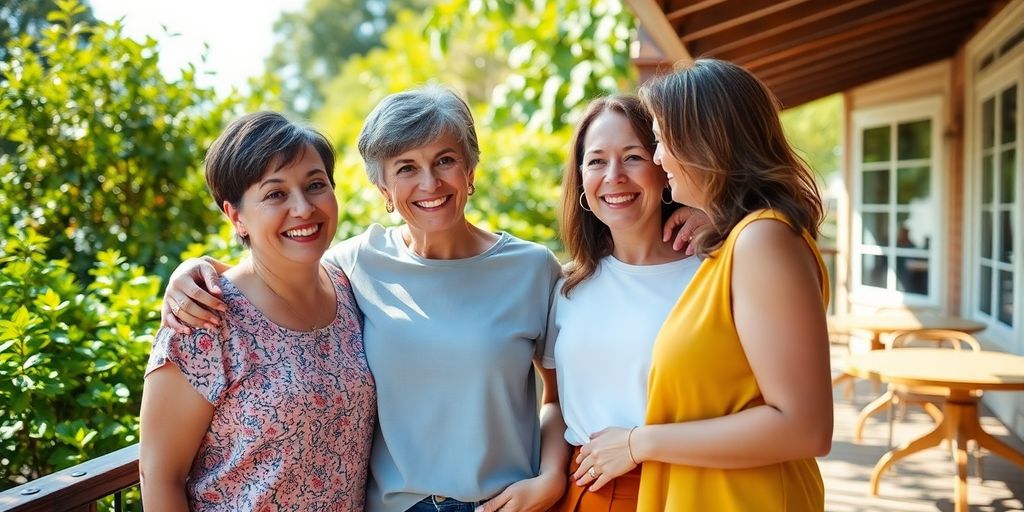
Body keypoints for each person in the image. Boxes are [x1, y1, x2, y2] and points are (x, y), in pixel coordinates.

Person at [158, 85, 568, 512]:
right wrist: (196, 270)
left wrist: (550, 478)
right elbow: (275, 269)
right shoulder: (354, 265)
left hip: (508, 502)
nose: (430, 183)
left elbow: (557, 398)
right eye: (406, 167)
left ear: (470, 170)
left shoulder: (531, 269)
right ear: (382, 187)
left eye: (445, 160)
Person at [574, 59, 834, 511]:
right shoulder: (739, 242)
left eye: (659, 142)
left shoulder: (763, 240)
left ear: (705, 142)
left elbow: (804, 426)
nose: (657, 159)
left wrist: (638, 444)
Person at [139, 112, 375, 510]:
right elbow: (159, 476)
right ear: (236, 217)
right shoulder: (205, 320)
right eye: (275, 194)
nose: (303, 208)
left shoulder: (349, 287)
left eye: (315, 185)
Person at [542, 95, 702, 512]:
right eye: (596, 161)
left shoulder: (713, 273)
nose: (613, 176)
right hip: (583, 492)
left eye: (632, 157)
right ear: (580, 179)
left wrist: (719, 216)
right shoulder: (568, 286)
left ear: (663, 167)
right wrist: (548, 475)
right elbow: (556, 403)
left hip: (684, 488)